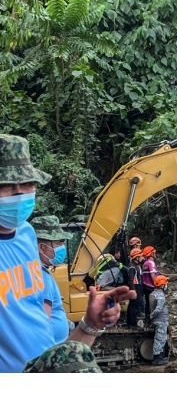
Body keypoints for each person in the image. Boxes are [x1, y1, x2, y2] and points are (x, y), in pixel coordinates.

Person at [0, 134, 135, 372]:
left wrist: (90, 325)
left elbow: (49, 359)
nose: (19, 194)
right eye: (6, 186)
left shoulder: (26, 235)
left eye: (28, 184)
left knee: (80, 358)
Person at [30, 215, 73, 343]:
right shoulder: (40, 277)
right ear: (42, 247)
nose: (62, 247)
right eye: (58, 243)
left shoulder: (36, 271)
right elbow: (43, 324)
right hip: (50, 352)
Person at [149, 275, 169, 366]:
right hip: (160, 320)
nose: (166, 286)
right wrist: (151, 316)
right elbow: (158, 309)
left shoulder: (152, 294)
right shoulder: (160, 295)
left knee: (160, 338)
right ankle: (157, 359)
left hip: (157, 320)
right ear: (161, 285)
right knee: (159, 339)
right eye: (165, 284)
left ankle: (160, 357)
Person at [126, 247, 144, 329]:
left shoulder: (136, 265)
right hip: (135, 286)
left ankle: (130, 322)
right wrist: (134, 291)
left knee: (133, 304)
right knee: (134, 305)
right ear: (136, 257)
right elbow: (130, 280)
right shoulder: (132, 267)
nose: (142, 258)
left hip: (138, 286)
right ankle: (132, 323)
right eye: (140, 256)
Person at [142, 245, 159, 323]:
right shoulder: (151, 263)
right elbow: (152, 275)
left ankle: (147, 319)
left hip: (145, 286)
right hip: (151, 287)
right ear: (151, 254)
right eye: (154, 253)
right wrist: (157, 285)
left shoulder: (145, 263)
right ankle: (151, 320)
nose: (155, 254)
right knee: (152, 304)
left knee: (147, 304)